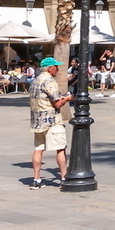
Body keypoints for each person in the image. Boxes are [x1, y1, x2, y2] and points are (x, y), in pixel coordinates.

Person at [28, 58, 71, 190]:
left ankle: (36, 179)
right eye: (55, 67)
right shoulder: (50, 81)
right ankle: (64, 178)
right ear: (49, 68)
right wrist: (68, 98)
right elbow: (57, 103)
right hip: (52, 120)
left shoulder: (36, 80)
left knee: (39, 149)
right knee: (60, 148)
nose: (57, 70)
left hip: (37, 120)